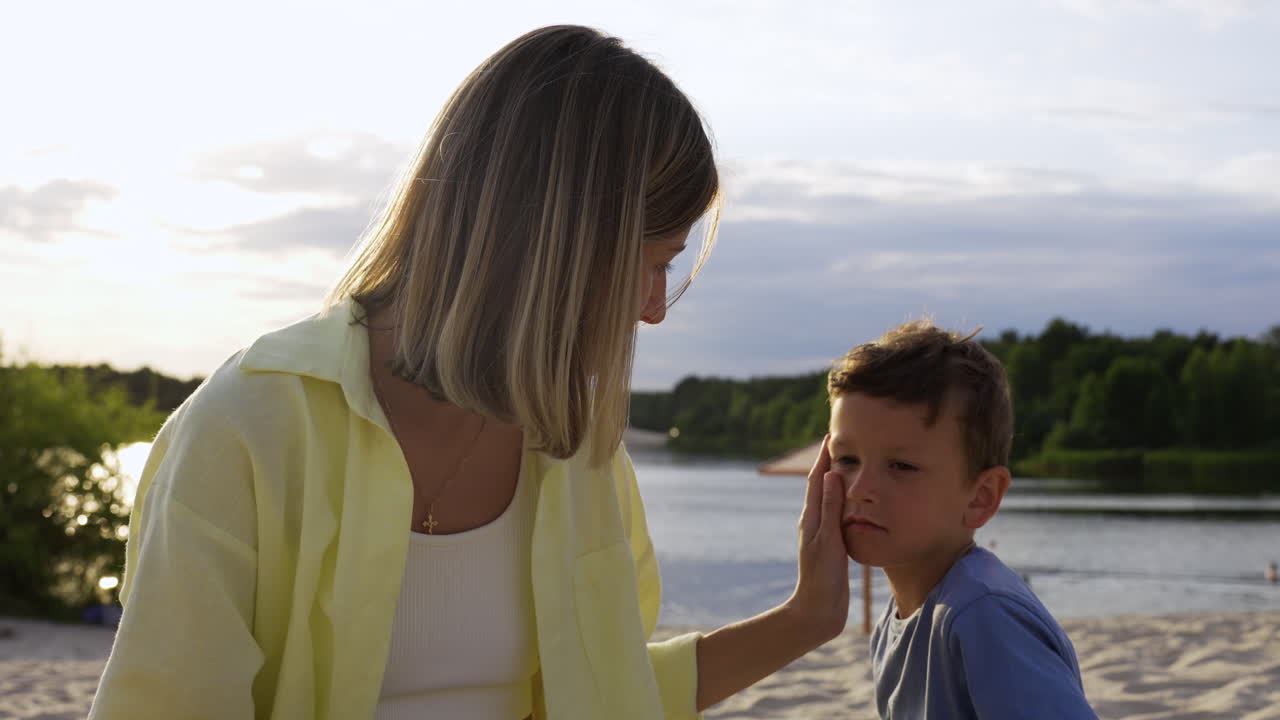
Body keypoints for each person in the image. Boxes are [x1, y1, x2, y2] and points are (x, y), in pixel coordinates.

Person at [88, 25, 851, 720]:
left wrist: (806, 619)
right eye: (648, 266)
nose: (653, 310)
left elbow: (604, 693)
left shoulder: (580, 453)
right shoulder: (248, 431)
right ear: (554, 241)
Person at [825, 320, 1096, 719]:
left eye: (901, 465)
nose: (860, 488)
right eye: (846, 459)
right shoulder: (900, 618)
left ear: (980, 497)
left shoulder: (983, 614)